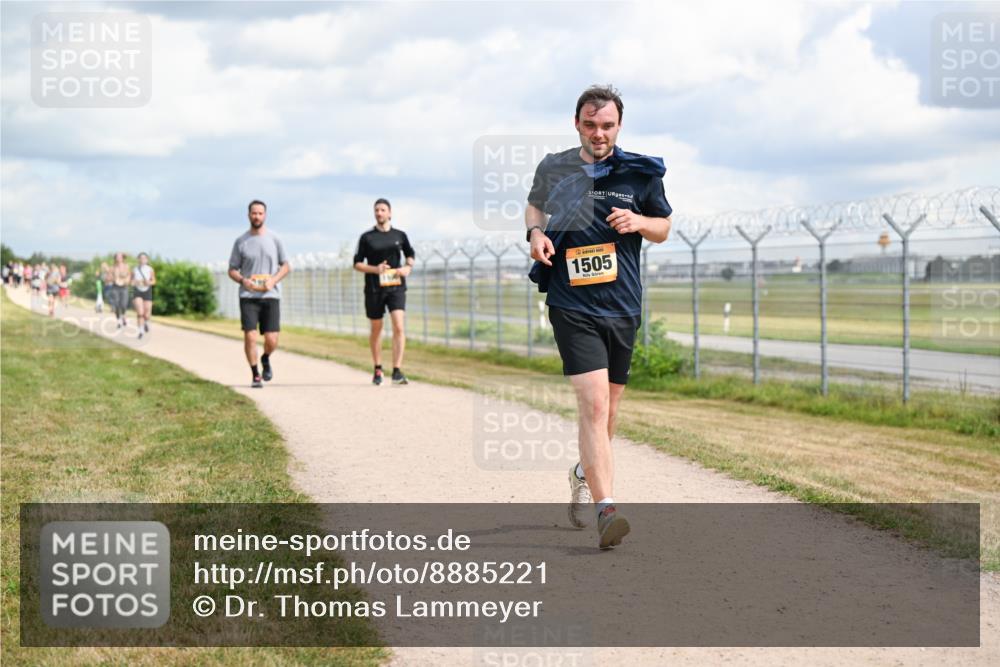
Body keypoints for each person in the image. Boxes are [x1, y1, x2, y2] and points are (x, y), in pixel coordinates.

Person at [526, 85, 672, 549]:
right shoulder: (555, 167)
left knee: (607, 415)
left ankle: (582, 471)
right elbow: (535, 206)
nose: (598, 133)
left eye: (607, 125)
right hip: (572, 304)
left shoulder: (641, 173)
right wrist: (535, 232)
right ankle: (606, 509)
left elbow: (664, 226)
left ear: (619, 126)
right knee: (592, 406)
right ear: (577, 124)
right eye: (590, 124)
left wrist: (640, 223)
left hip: (623, 305)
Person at [228, 200, 290, 388]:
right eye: (254, 213)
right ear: (249, 215)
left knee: (271, 339)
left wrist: (273, 280)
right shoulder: (241, 241)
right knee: (251, 336)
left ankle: (265, 357)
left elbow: (286, 266)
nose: (257, 216)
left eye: (260, 213)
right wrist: (242, 280)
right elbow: (232, 269)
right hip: (248, 297)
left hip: (271, 295)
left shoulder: (275, 239)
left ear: (265, 215)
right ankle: (255, 374)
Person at [353, 198, 415, 385]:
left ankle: (396, 370)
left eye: (382, 210)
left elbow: (410, 255)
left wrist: (407, 268)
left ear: (389, 213)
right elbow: (357, 264)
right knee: (376, 328)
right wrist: (375, 269)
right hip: (374, 288)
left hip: (396, 286)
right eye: (376, 210)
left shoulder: (400, 235)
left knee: (399, 326)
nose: (379, 213)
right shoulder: (367, 237)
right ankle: (378, 368)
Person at [132, 252, 156, 338]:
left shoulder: (150, 269)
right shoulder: (134, 269)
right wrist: (135, 282)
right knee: (140, 312)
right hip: (137, 291)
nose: (142, 260)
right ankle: (140, 331)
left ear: (147, 260)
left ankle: (146, 322)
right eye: (140, 258)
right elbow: (131, 281)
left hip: (147, 291)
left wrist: (148, 282)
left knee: (147, 314)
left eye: (144, 258)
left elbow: (154, 281)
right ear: (138, 259)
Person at [110, 253, 131, 328]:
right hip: (115, 287)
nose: (118, 258)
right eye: (117, 257)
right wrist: (113, 279)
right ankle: (119, 320)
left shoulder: (126, 266)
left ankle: (123, 316)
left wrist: (127, 281)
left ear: (123, 258)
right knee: (116, 305)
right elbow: (108, 278)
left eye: (120, 257)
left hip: (124, 287)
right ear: (115, 258)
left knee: (124, 304)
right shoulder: (113, 267)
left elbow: (129, 275)